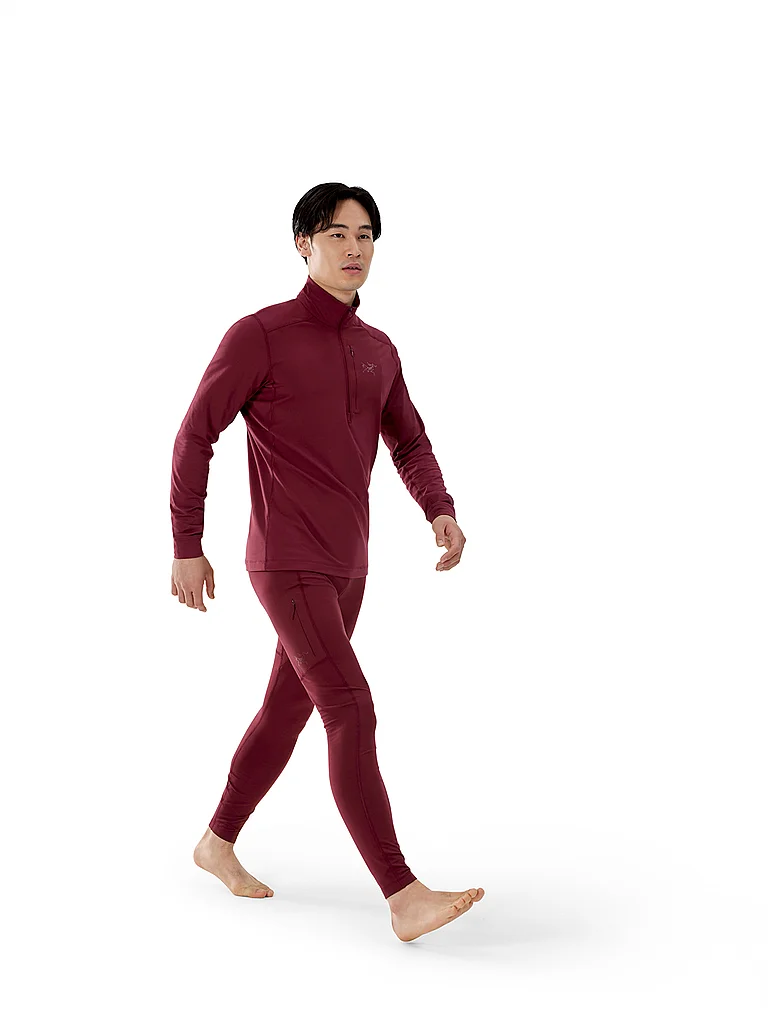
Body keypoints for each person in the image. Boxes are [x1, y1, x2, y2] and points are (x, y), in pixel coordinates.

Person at [169, 182, 484, 941]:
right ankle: (403, 894)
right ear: (302, 244)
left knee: (289, 707)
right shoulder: (260, 335)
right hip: (286, 559)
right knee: (351, 706)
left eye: (365, 235)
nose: (354, 248)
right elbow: (196, 433)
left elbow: (408, 438)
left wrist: (438, 506)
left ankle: (216, 842)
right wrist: (186, 543)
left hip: (350, 563)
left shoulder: (378, 349)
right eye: (336, 233)